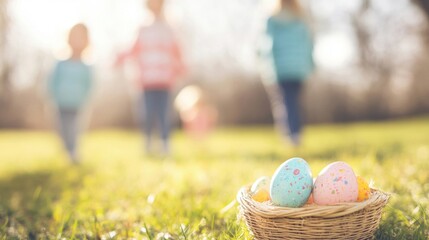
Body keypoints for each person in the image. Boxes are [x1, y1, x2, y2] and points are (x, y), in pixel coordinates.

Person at [116, 0, 185, 156]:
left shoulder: (170, 29)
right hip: (146, 81)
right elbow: (133, 49)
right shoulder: (142, 29)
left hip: (165, 80)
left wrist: (181, 66)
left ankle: (165, 143)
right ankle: (147, 142)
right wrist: (121, 57)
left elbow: (177, 51)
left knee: (164, 114)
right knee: (146, 114)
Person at [261, 0, 314, 147]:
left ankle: (290, 135)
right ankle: (296, 133)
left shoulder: (271, 18)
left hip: (280, 68)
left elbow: (268, 45)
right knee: (294, 102)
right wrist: (310, 64)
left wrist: (267, 67)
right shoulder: (300, 17)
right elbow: (308, 43)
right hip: (299, 68)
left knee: (284, 103)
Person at [48, 23, 93, 163]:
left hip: (78, 104)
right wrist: (52, 97)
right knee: (63, 128)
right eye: (75, 37)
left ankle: (73, 151)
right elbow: (52, 82)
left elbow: (89, 85)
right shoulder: (60, 64)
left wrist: (87, 99)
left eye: (81, 37)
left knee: (74, 128)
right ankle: (66, 149)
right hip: (61, 103)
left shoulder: (86, 67)